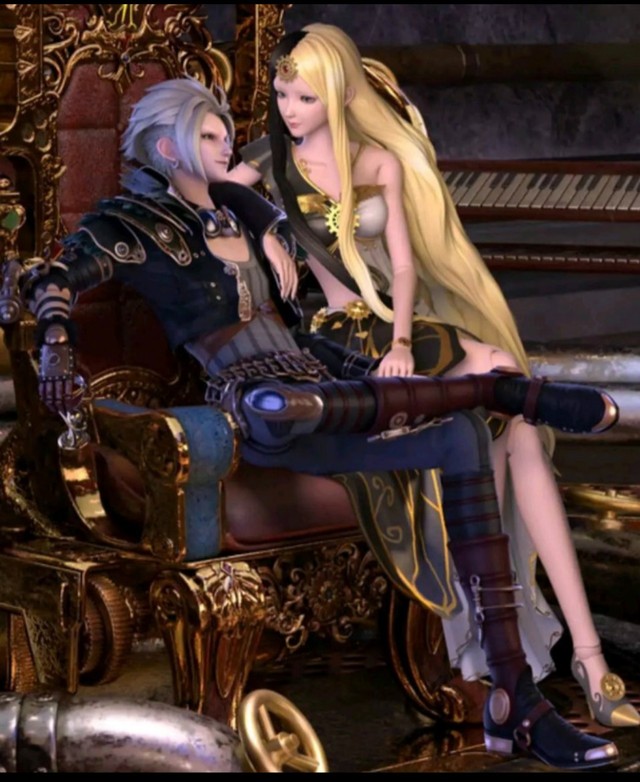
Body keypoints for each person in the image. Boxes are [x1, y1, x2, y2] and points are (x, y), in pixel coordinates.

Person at [21, 77, 622, 769]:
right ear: (167, 148)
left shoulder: (241, 217)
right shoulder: (132, 227)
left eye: (226, 133)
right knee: (283, 408)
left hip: (317, 386)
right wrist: (56, 342)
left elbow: (298, 309)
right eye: (210, 135)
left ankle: (514, 697)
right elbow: (51, 277)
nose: (226, 145)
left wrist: (268, 226)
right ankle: (505, 392)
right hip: (255, 407)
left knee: (459, 437)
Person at [227, 23, 640, 731]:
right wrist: (265, 227)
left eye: (305, 96)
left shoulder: (381, 161)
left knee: (514, 429)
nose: (290, 109)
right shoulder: (271, 160)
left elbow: (405, 263)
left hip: (397, 331)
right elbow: (211, 193)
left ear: (340, 94)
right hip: (334, 337)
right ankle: (534, 649)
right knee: (504, 389)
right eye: (282, 94)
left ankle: (587, 656)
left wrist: (400, 341)